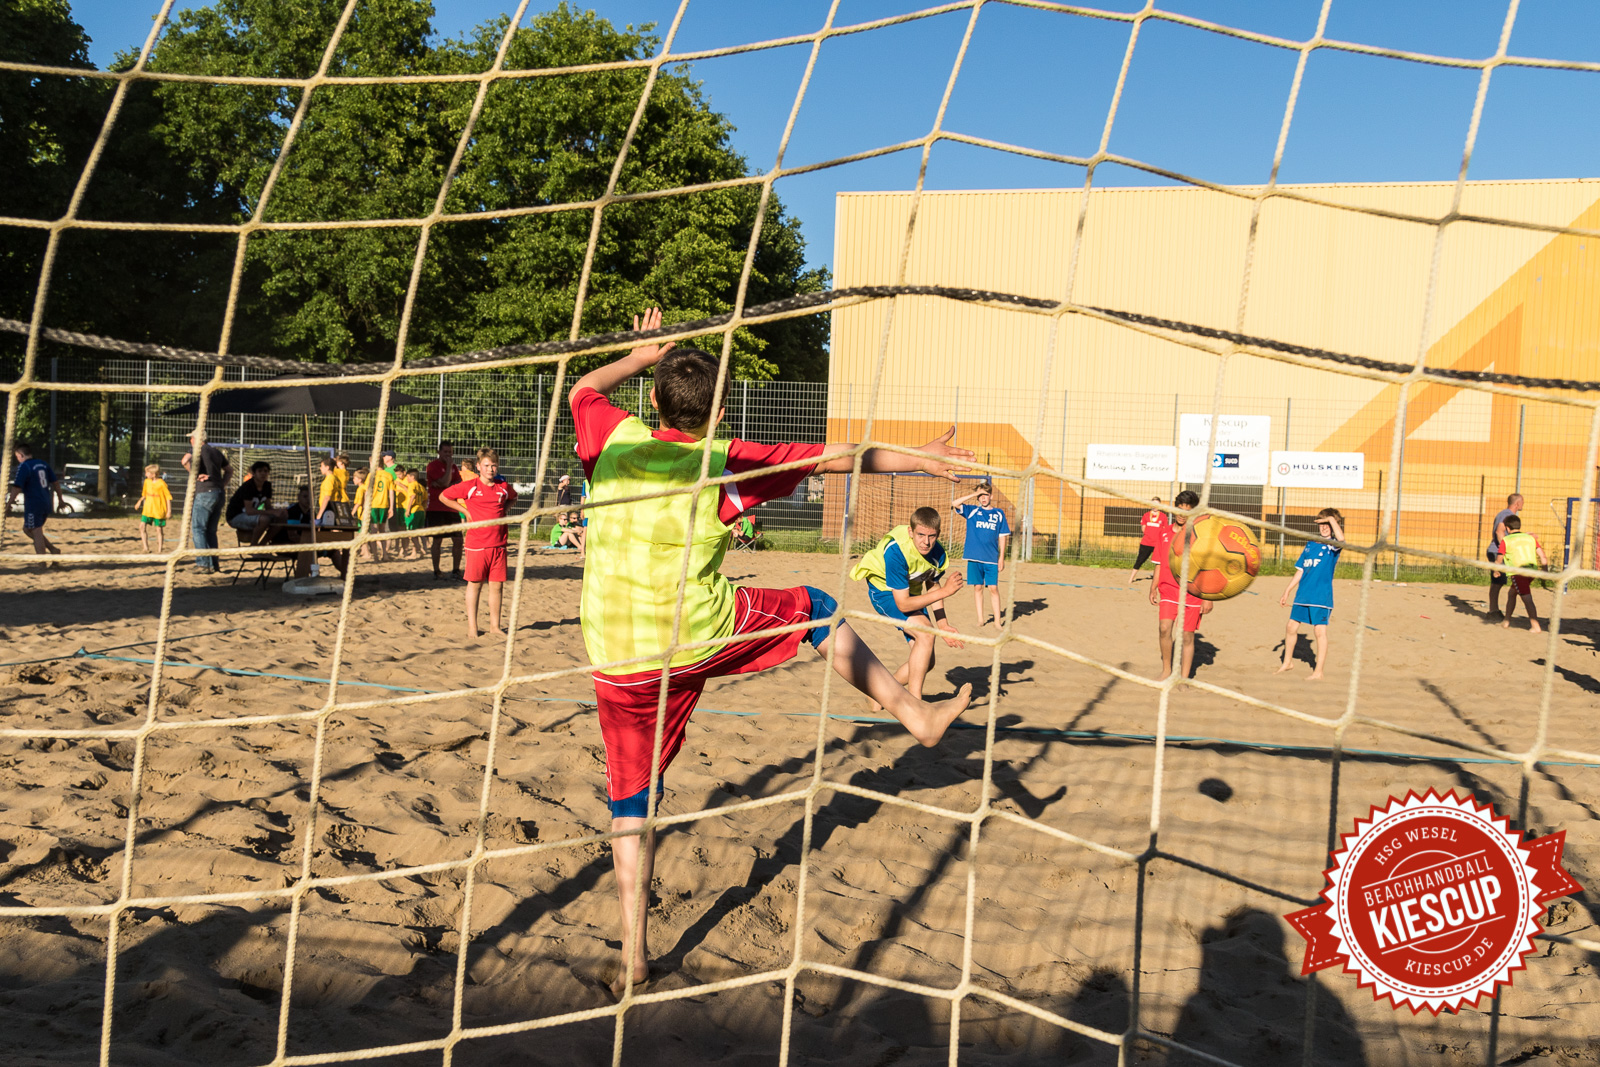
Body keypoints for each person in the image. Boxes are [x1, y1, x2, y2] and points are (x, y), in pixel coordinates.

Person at [571, 307, 974, 996]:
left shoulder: (610, 435)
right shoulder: (723, 462)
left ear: (657, 398)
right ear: (720, 408)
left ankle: (634, 953)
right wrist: (918, 459)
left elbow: (582, 385)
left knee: (631, 802)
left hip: (614, 653)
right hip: (696, 634)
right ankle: (912, 711)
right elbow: (838, 458)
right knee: (817, 607)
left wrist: (639, 355)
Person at [854, 507, 967, 697]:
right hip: (885, 592)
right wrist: (947, 591)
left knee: (926, 662)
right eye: (920, 534)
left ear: (938, 534)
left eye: (931, 536)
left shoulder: (938, 553)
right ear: (910, 532)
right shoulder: (896, 552)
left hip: (910, 593)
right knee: (925, 634)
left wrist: (943, 624)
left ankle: (882, 695)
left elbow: (933, 586)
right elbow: (903, 605)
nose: (926, 541)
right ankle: (915, 703)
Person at [439, 448, 517, 638]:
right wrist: (465, 512)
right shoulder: (470, 485)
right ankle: (473, 628)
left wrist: (503, 511)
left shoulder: (502, 486)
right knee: (475, 584)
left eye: (494, 465)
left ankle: (495, 626)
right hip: (477, 544)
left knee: (497, 586)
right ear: (478, 466)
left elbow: (513, 497)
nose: (490, 469)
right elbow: (444, 496)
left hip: (499, 544)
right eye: (487, 465)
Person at [1276, 508, 1345, 680]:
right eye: (1321, 524)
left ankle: (1318, 672)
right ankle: (1287, 663)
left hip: (1321, 597)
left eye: (1327, 524)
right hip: (1303, 595)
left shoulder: (1332, 546)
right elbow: (1301, 570)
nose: (1324, 528)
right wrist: (1287, 590)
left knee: (1319, 632)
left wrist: (1331, 519)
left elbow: (1342, 539)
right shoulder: (1311, 544)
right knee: (1291, 627)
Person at [1150, 490, 1210, 681]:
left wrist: (1207, 597)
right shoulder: (1164, 533)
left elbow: (1207, 568)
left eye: (1187, 509)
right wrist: (1153, 586)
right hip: (1167, 589)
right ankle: (1166, 670)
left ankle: (1183, 678)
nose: (1182, 513)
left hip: (1192, 592)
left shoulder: (1198, 536)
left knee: (1186, 637)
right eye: (1180, 508)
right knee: (1164, 628)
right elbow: (1159, 562)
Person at [951, 483, 1009, 629]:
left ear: (991, 496)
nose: (983, 498)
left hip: (991, 558)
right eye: (981, 496)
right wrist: (974, 494)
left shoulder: (998, 513)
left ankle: (997, 621)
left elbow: (1002, 536)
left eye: (986, 495)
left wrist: (1001, 557)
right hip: (974, 557)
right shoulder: (971, 511)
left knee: (993, 588)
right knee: (978, 587)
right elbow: (955, 503)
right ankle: (981, 619)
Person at [181, 431, 230, 574]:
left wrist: (194, 475)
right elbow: (229, 470)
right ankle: (214, 564)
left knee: (198, 529)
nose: (190, 440)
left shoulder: (197, 449)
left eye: (191, 438)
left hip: (204, 493)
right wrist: (222, 484)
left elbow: (184, 461)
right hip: (219, 493)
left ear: (196, 440)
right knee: (211, 531)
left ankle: (203, 564)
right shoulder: (216, 452)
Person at [7, 442, 64, 566]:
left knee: (35, 530)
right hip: (46, 502)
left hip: (34, 503)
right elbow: (56, 483)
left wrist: (8, 504)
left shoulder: (24, 467)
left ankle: (41, 562)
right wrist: (60, 500)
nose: (17, 460)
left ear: (21, 455)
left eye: (17, 457)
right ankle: (53, 550)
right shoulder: (43, 464)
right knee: (27, 529)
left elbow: (17, 487)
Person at [1498, 514, 1549, 632]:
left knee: (1527, 598)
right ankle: (1506, 621)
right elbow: (1543, 556)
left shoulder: (1506, 540)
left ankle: (1535, 626)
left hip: (1518, 573)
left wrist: (1496, 570)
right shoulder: (1530, 538)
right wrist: (1545, 572)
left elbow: (1499, 558)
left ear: (1507, 529)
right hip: (1532, 571)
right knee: (1512, 593)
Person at [426, 441, 464, 580]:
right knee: (437, 540)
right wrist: (447, 473)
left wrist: (447, 483)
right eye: (446, 452)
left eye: (450, 452)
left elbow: (457, 483)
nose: (448, 455)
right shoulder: (433, 466)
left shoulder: (454, 467)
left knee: (458, 540)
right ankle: (437, 570)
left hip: (452, 508)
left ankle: (456, 570)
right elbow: (445, 483)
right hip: (436, 508)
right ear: (439, 452)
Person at [1486, 492, 1523, 618]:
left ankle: (1493, 609)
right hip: (1497, 552)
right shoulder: (1507, 515)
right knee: (1498, 581)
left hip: (1496, 550)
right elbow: (1499, 531)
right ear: (1517, 503)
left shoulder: (1504, 513)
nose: (1523, 505)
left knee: (1498, 581)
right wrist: (1505, 548)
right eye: (1522, 502)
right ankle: (1493, 610)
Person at [225, 462, 278, 544]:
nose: (263, 473)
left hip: (252, 515)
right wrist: (270, 512)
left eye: (266, 471)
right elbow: (249, 511)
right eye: (260, 471)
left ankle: (263, 545)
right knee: (264, 519)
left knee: (282, 518)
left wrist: (278, 512)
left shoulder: (267, 486)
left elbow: (268, 506)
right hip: (236, 516)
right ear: (254, 473)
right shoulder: (248, 486)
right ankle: (253, 546)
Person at [1130, 496, 1168, 583]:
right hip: (1146, 542)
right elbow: (1143, 528)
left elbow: (1164, 529)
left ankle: (1161, 579)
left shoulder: (1163, 516)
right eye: (1153, 504)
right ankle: (1131, 578)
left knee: (1160, 562)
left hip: (1158, 544)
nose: (1155, 506)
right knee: (1140, 560)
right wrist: (1149, 534)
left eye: (1157, 504)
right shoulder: (1146, 515)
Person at [135, 463, 172, 553]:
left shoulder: (162, 484)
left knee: (158, 529)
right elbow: (144, 493)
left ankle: (159, 549)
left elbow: (168, 497)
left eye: (147, 473)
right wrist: (139, 501)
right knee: (142, 526)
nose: (146, 474)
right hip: (148, 509)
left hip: (158, 509)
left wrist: (169, 511)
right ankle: (146, 548)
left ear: (154, 474)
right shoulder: (147, 482)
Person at [400, 467, 427, 559]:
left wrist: (408, 509)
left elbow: (412, 496)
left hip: (414, 511)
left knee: (411, 533)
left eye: (407, 477)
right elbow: (425, 499)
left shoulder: (412, 485)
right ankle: (415, 552)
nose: (406, 479)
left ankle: (420, 549)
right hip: (421, 511)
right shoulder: (421, 486)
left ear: (412, 477)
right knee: (417, 533)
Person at [316, 456, 347, 526]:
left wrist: (319, 514)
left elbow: (327, 497)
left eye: (321, 466)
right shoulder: (336, 479)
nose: (320, 468)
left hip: (328, 509)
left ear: (327, 467)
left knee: (327, 533)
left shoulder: (329, 480)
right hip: (336, 508)